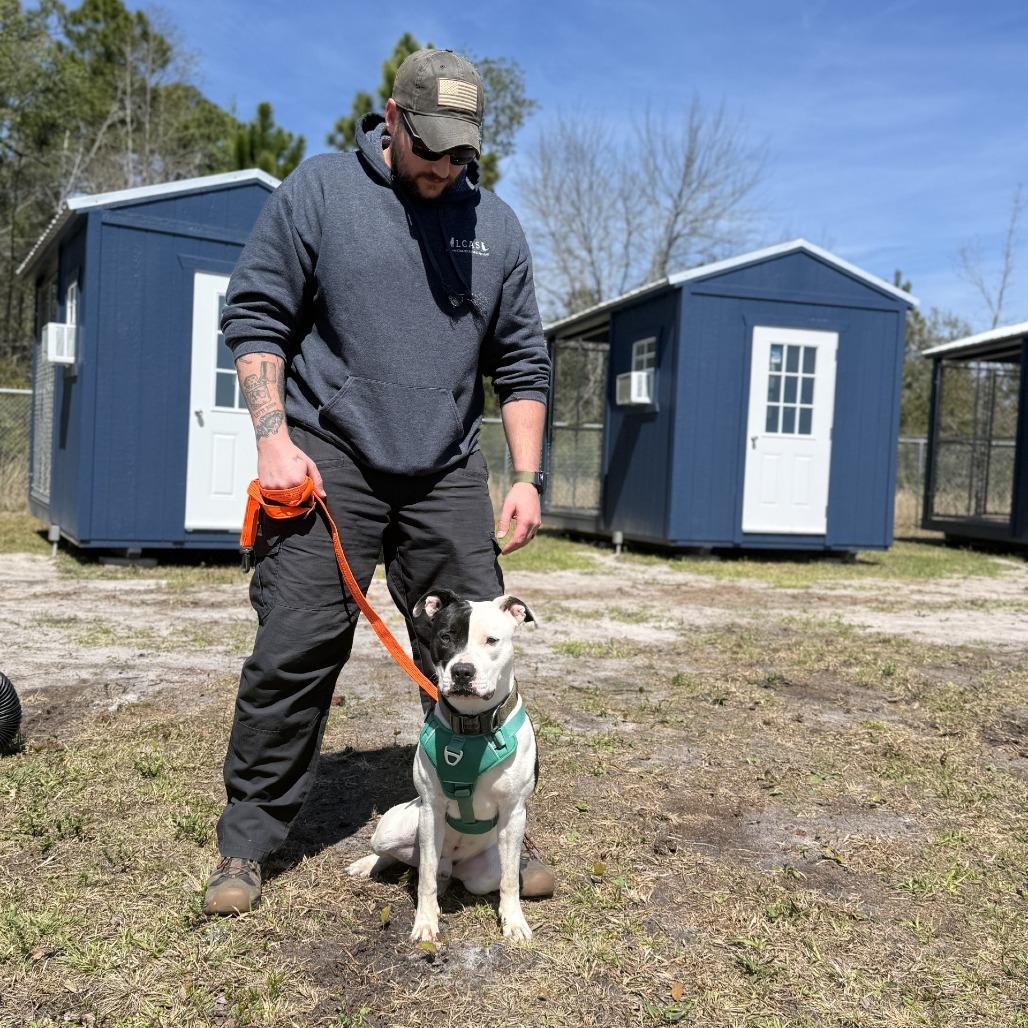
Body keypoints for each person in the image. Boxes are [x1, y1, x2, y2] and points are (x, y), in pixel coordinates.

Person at [203, 49, 553, 915]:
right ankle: (247, 843)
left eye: (459, 152)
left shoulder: (497, 228)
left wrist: (526, 474)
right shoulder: (321, 192)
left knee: (476, 653)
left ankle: (491, 819)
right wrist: (274, 439)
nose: (442, 166)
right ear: (390, 117)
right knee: (295, 646)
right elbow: (257, 315)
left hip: (444, 468)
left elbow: (521, 360)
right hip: (330, 458)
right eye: (428, 145)